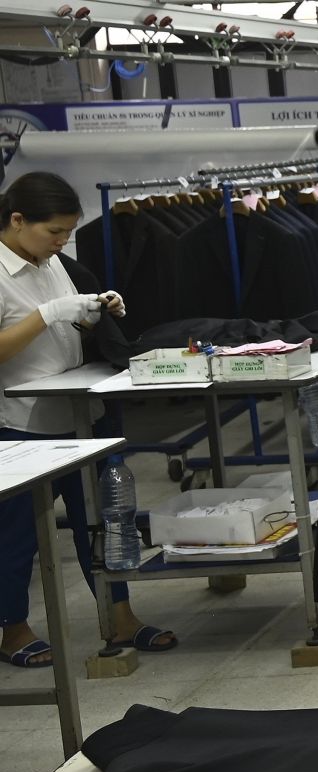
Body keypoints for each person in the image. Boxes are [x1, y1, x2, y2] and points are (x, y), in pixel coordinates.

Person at [0, 172, 176, 668]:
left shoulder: (53, 261)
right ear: (17, 221)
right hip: (21, 423)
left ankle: (120, 615)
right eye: (53, 232)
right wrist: (48, 313)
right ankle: (11, 627)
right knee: (16, 535)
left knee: (104, 520)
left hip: (82, 411)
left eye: (67, 234)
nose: (60, 243)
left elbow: (68, 326)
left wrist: (94, 312)